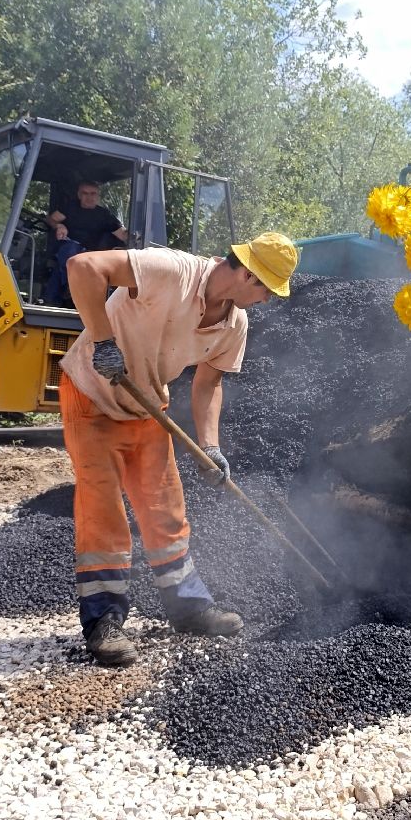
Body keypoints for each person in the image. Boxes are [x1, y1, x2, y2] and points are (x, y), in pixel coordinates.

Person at [58, 231, 298, 667]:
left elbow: (209, 383)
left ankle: (188, 608)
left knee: (165, 509)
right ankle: (103, 622)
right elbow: (84, 267)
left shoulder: (235, 324)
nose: (266, 302)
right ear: (248, 274)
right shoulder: (169, 270)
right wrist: (103, 340)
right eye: (266, 290)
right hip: (91, 396)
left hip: (148, 404)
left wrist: (211, 446)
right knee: (103, 509)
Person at [43, 180, 127, 306]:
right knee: (69, 252)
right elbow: (51, 219)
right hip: (69, 248)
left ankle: (68, 290)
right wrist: (59, 225)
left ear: (98, 196)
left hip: (92, 255)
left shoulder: (104, 215)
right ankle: (64, 293)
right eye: (85, 193)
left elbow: (123, 235)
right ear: (79, 195)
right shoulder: (70, 208)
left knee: (66, 264)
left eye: (93, 194)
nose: (89, 197)